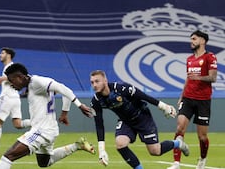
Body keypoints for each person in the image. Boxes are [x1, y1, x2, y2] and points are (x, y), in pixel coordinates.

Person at [0, 63, 95, 169]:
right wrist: (64, 113)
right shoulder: (33, 85)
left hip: (42, 131)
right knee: (44, 163)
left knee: (8, 156)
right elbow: (64, 91)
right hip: (50, 130)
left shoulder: (36, 82)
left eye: (11, 80)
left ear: (20, 77)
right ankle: (77, 145)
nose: (10, 84)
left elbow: (62, 88)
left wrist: (79, 105)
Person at [89, 70, 190, 169]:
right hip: (126, 121)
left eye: (97, 81)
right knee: (120, 143)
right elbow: (99, 125)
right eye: (92, 82)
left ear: (105, 81)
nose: (94, 85)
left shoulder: (121, 88)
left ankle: (178, 143)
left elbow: (143, 96)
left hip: (142, 117)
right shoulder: (96, 101)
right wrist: (102, 150)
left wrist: (163, 106)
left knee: (155, 151)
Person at [167, 30, 217, 169]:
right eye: (191, 39)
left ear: (202, 41)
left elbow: (213, 77)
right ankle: (176, 162)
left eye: (194, 39)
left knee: (202, 136)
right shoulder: (189, 59)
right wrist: (182, 95)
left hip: (203, 101)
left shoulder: (210, 57)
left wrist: (198, 78)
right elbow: (188, 78)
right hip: (188, 98)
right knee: (180, 127)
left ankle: (202, 159)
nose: (192, 41)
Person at [0, 47, 31, 155]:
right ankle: (37, 122)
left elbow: (17, 77)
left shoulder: (10, 67)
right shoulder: (9, 67)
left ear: (8, 55)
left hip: (7, 97)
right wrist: (3, 79)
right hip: (15, 97)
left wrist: (2, 78)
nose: (0, 55)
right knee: (18, 124)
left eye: (2, 53)